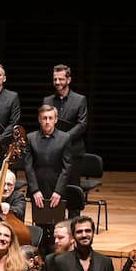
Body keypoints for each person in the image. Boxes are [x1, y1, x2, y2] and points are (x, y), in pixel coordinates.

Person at [23, 105, 75, 248]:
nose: (47, 121)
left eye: (50, 118)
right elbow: (28, 166)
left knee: (56, 228)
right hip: (38, 190)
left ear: (56, 119)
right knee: (40, 228)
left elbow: (67, 167)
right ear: (39, 119)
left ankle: (55, 257)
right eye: (44, 118)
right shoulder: (31, 138)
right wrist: (35, 190)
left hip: (56, 190)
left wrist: (58, 191)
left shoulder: (65, 138)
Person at [43, 64, 88, 207]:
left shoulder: (80, 99)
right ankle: (54, 219)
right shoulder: (47, 100)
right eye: (55, 79)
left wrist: (63, 138)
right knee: (52, 189)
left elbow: (82, 124)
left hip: (73, 151)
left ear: (68, 80)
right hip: (52, 151)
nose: (57, 82)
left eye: (61, 79)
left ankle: (74, 219)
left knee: (73, 189)